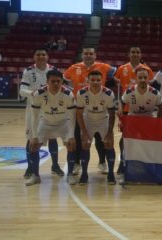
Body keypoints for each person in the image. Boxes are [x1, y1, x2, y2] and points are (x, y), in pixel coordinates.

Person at [64, 47, 117, 175]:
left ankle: (102, 162)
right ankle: (77, 163)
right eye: (86, 53)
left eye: (91, 54)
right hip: (80, 108)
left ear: (95, 55)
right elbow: (64, 79)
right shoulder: (73, 68)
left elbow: (118, 74)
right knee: (78, 136)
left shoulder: (104, 67)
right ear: (82, 55)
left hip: (99, 107)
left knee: (100, 138)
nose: (88, 55)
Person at [27, 69, 76, 186]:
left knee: (71, 145)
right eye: (52, 81)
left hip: (63, 122)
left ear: (62, 81)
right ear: (47, 81)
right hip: (45, 122)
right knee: (33, 146)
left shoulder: (68, 94)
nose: (55, 84)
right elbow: (34, 117)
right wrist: (34, 136)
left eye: (58, 81)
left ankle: (70, 174)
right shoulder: (38, 94)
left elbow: (72, 117)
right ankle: (35, 175)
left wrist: (71, 136)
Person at [19, 48, 62, 179]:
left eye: (43, 54)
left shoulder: (54, 70)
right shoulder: (29, 70)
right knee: (31, 138)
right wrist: (32, 93)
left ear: (47, 57)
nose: (41, 57)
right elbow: (22, 90)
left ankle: (55, 166)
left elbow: (59, 86)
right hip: (33, 109)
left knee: (52, 137)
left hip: (50, 108)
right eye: (38, 54)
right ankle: (30, 167)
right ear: (34, 57)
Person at [114, 46, 154, 175]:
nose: (135, 54)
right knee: (125, 138)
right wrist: (119, 106)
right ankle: (123, 163)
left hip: (143, 110)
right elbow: (117, 84)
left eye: (137, 52)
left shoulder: (147, 69)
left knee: (145, 138)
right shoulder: (122, 69)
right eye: (133, 52)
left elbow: (150, 88)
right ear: (128, 54)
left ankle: (144, 163)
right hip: (126, 110)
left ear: (141, 54)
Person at [120, 66, 162, 184]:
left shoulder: (154, 92)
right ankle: (123, 168)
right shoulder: (129, 91)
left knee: (149, 146)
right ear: (136, 78)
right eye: (140, 77)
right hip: (133, 120)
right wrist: (122, 119)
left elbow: (161, 107)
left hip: (148, 120)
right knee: (126, 144)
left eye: (145, 77)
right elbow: (121, 103)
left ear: (149, 78)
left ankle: (149, 169)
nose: (143, 79)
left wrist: (158, 122)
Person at [75, 70, 116, 185]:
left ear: (102, 81)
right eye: (92, 80)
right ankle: (84, 174)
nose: (95, 82)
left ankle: (111, 174)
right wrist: (84, 132)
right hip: (88, 120)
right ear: (87, 80)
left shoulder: (108, 93)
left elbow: (112, 114)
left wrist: (109, 132)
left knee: (109, 144)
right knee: (85, 144)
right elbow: (78, 113)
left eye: (98, 80)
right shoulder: (81, 93)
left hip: (103, 120)